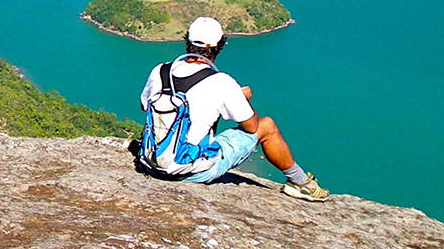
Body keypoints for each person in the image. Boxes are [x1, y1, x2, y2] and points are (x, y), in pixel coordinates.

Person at [139, 15, 329, 200]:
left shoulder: (161, 70)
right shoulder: (221, 82)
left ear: (187, 40)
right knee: (267, 126)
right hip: (189, 171)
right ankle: (302, 184)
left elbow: (144, 105)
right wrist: (241, 99)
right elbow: (252, 127)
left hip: (151, 161)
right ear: (219, 46)